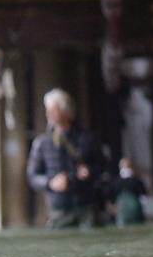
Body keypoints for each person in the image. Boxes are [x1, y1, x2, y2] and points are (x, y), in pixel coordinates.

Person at [26, 88, 107, 229]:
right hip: (59, 210)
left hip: (86, 209)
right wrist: (50, 183)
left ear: (66, 111)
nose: (48, 113)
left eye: (53, 109)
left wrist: (89, 172)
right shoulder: (42, 143)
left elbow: (103, 167)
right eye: (48, 109)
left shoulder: (87, 139)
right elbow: (32, 176)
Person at [112, 156, 149, 227]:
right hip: (122, 209)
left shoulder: (136, 181)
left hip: (135, 208)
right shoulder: (117, 181)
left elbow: (143, 195)